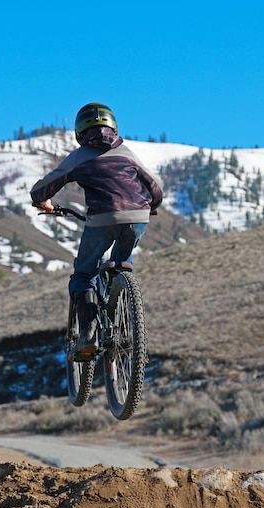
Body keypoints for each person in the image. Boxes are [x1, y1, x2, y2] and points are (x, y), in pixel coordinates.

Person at [30, 102, 163, 359]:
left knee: (83, 275)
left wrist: (42, 202)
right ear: (113, 126)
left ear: (80, 131)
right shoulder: (127, 152)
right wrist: (151, 206)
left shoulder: (79, 157)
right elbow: (154, 188)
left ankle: (89, 335)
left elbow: (41, 189)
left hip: (101, 219)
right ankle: (121, 318)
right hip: (138, 217)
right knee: (121, 262)